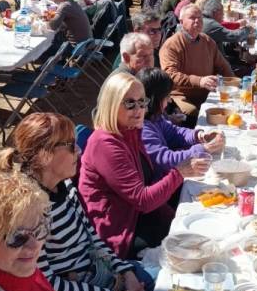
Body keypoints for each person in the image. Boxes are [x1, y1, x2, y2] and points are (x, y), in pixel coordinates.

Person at [0, 113, 153, 291]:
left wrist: (125, 272)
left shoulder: (65, 186)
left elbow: (92, 239)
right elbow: (47, 287)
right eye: (70, 146)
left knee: (157, 283)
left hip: (96, 278)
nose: (79, 150)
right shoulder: (29, 210)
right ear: (44, 155)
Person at [79, 72, 205, 258]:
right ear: (111, 104)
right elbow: (143, 201)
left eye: (142, 102)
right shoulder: (105, 144)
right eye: (130, 103)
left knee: (197, 219)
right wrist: (179, 173)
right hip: (121, 230)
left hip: (139, 214)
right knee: (192, 249)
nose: (138, 109)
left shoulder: (131, 131)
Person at [138, 68, 223, 178]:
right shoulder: (143, 129)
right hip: (161, 181)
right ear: (155, 99)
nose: (169, 100)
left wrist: (199, 136)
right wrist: (205, 149)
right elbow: (168, 160)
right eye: (167, 96)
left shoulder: (155, 117)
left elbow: (174, 133)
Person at [159, 3, 235, 120]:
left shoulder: (207, 41)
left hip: (208, 92)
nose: (197, 21)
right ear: (181, 21)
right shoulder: (172, 45)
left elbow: (223, 66)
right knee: (193, 113)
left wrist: (234, 83)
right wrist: (199, 81)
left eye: (200, 18)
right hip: (181, 95)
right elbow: (170, 74)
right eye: (192, 18)